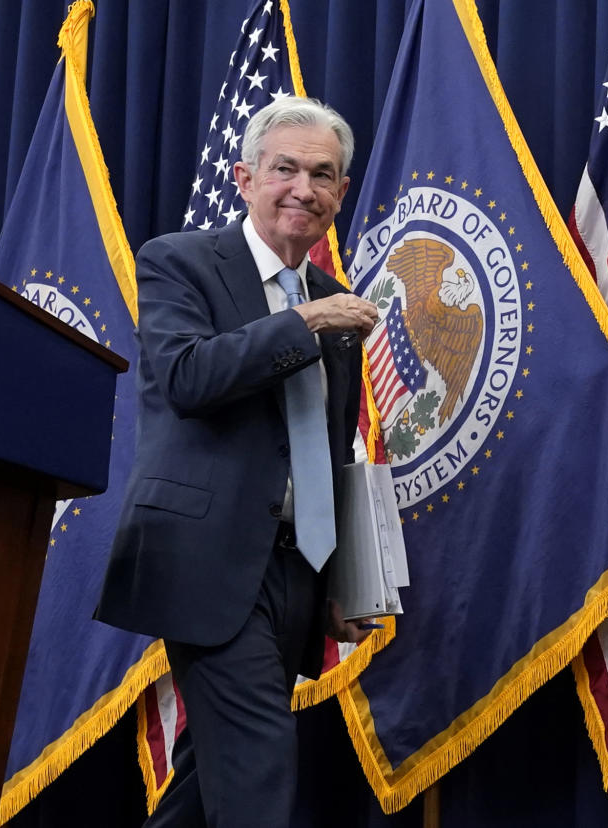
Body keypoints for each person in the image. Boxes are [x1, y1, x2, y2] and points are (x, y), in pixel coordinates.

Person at [95, 97, 380, 827]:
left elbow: (333, 441)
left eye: (323, 175)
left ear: (341, 194)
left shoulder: (332, 299)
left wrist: (351, 578)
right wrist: (303, 321)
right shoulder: (180, 260)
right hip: (206, 561)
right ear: (244, 177)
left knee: (207, 785)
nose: (303, 189)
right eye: (285, 169)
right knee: (257, 776)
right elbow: (188, 378)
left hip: (297, 571)